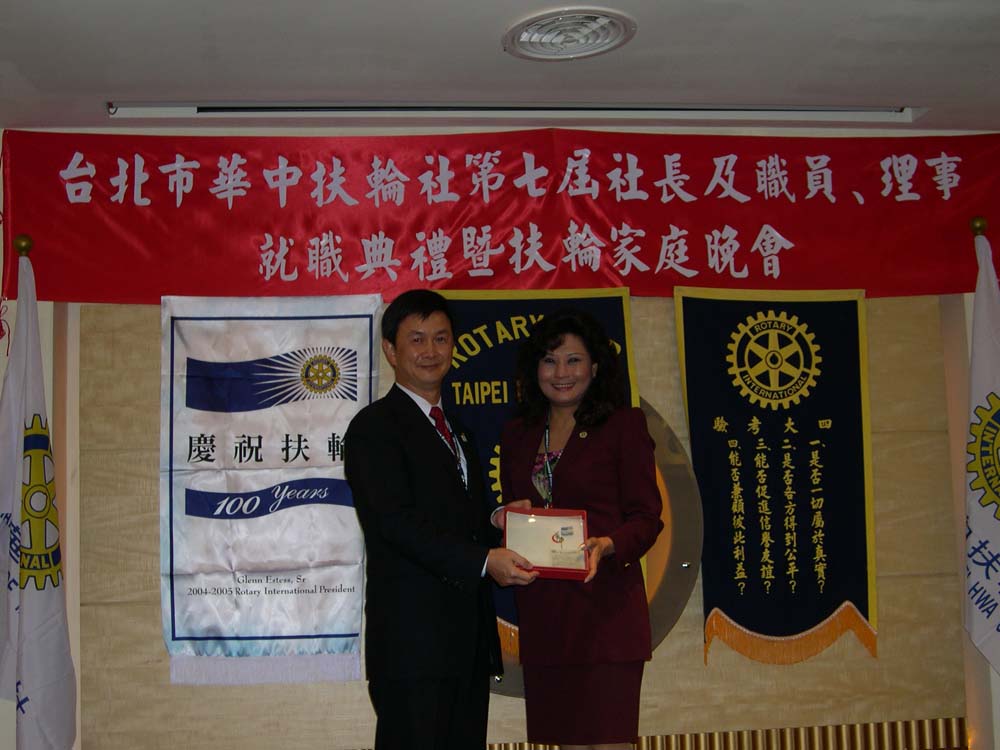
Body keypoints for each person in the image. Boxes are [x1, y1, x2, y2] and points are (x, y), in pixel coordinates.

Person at [344, 289, 537, 750]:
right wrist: (483, 561)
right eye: (416, 339)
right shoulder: (374, 427)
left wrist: (498, 519)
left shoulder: (459, 431)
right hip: (412, 644)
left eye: (441, 338)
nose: (430, 351)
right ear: (391, 350)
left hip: (467, 641)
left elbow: (457, 519)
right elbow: (394, 522)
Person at [497, 309, 664, 750]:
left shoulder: (623, 426)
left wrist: (608, 544)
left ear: (595, 366)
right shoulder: (517, 434)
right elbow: (517, 510)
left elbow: (647, 517)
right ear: (534, 369)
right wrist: (507, 517)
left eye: (573, 360)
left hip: (606, 615)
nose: (561, 373)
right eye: (549, 361)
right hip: (545, 618)